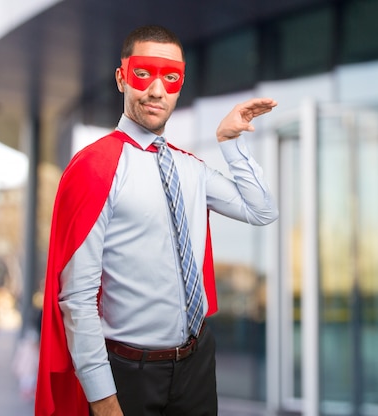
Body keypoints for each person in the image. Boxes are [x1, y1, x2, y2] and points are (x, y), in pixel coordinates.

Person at [35, 24, 278, 416]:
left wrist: (231, 142)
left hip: (196, 362)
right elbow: (76, 297)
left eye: (171, 77)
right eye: (143, 74)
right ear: (121, 78)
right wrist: (103, 399)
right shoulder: (95, 168)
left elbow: (261, 209)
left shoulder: (191, 168)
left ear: (181, 85)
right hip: (129, 373)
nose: (156, 91)